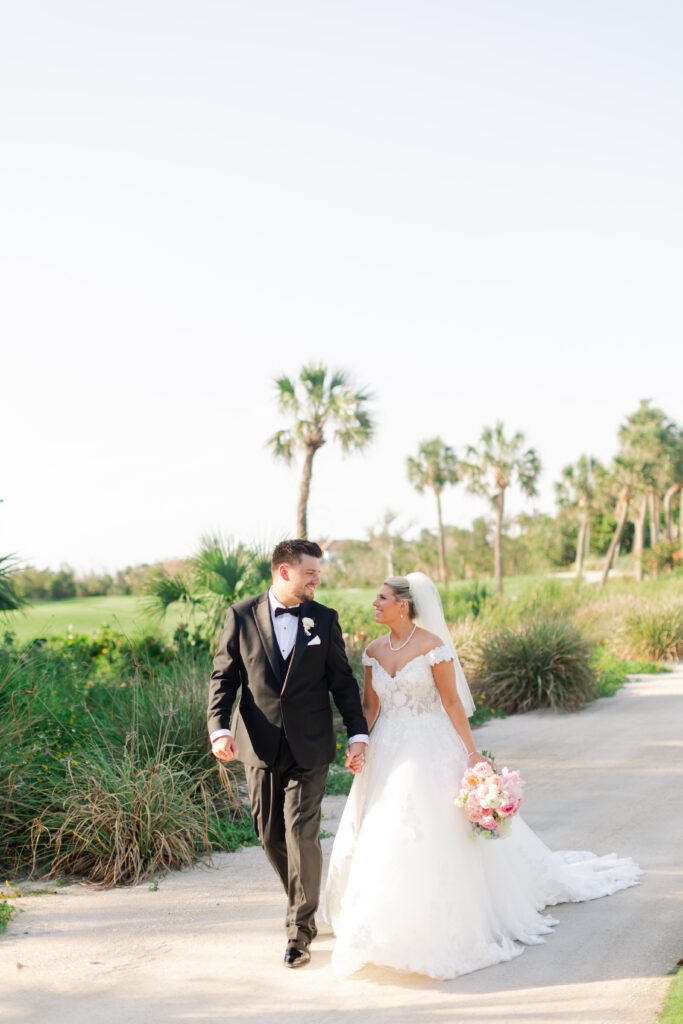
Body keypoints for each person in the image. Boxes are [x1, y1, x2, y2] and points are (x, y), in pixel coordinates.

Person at [323, 572, 643, 980]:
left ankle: (441, 920)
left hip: (430, 746)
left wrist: (472, 754)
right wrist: (361, 744)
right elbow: (370, 707)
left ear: (403, 604)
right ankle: (377, 921)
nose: (375, 604)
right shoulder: (372, 651)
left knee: (434, 829)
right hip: (388, 747)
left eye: (381, 598)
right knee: (381, 828)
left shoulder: (433, 648)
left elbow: (452, 702)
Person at [208, 539, 368, 969]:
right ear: (284, 571)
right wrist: (219, 728)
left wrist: (358, 735)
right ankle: (303, 900)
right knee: (269, 835)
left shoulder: (324, 619)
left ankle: (299, 929)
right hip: (258, 745)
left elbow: (343, 683)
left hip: (311, 744)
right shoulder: (240, 616)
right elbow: (224, 678)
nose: (317, 578)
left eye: (318, 572)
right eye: (310, 572)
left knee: (300, 832)